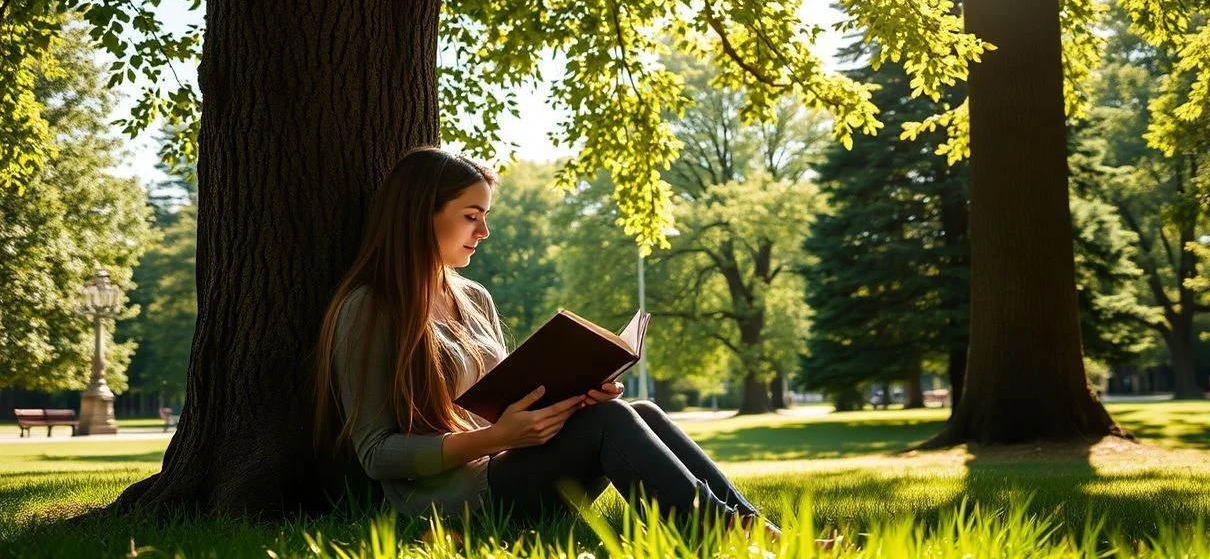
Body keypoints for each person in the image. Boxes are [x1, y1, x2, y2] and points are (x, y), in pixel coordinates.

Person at [313, 146, 837, 547]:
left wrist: (573, 396)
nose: (485, 230)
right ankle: (741, 538)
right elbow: (377, 454)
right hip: (446, 502)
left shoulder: (473, 298)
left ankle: (751, 528)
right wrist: (499, 436)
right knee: (611, 423)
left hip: (510, 468)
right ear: (421, 215)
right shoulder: (370, 309)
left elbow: (506, 396)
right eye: (472, 215)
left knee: (639, 410)